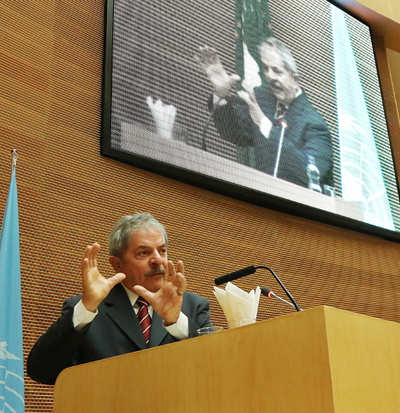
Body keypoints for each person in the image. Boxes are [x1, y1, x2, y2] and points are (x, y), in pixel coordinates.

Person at [26, 213, 213, 385]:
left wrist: (175, 321)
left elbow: (218, 367)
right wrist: (86, 309)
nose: (158, 260)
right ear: (117, 264)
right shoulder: (86, 310)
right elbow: (42, 371)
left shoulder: (194, 306)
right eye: (144, 253)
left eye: (162, 250)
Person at [197, 37, 334, 189]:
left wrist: (264, 124)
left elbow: (310, 174)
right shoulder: (263, 99)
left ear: (295, 80)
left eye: (277, 70)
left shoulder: (315, 124)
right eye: (266, 69)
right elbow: (234, 133)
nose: (270, 76)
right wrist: (221, 95)